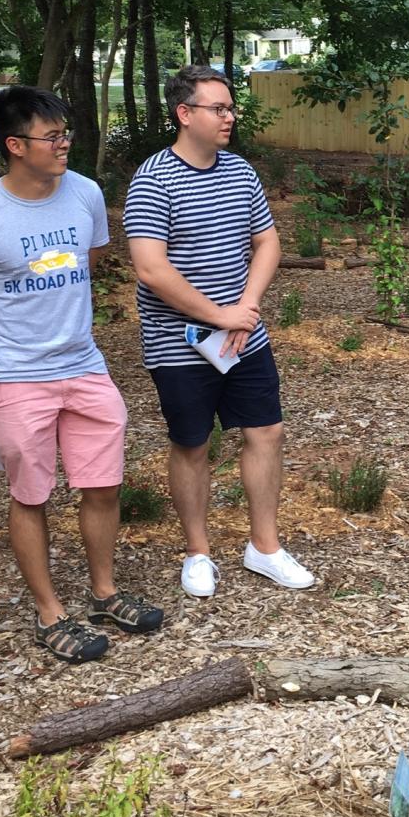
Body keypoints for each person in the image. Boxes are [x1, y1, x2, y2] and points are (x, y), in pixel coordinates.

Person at [0, 88, 163, 664]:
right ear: (16, 146)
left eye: (66, 132)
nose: (65, 143)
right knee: (31, 493)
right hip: (14, 374)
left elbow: (85, 267)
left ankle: (104, 592)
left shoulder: (86, 194)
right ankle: (49, 614)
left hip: (83, 364)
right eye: (52, 136)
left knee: (103, 483)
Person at [123, 65, 314, 598]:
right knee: (191, 444)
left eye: (231, 108)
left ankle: (265, 547)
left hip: (242, 338)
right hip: (178, 344)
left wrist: (245, 310)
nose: (230, 117)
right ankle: (198, 552)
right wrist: (218, 315)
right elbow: (151, 269)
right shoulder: (153, 178)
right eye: (219, 108)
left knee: (266, 433)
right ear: (185, 114)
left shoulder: (239, 172)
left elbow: (268, 243)